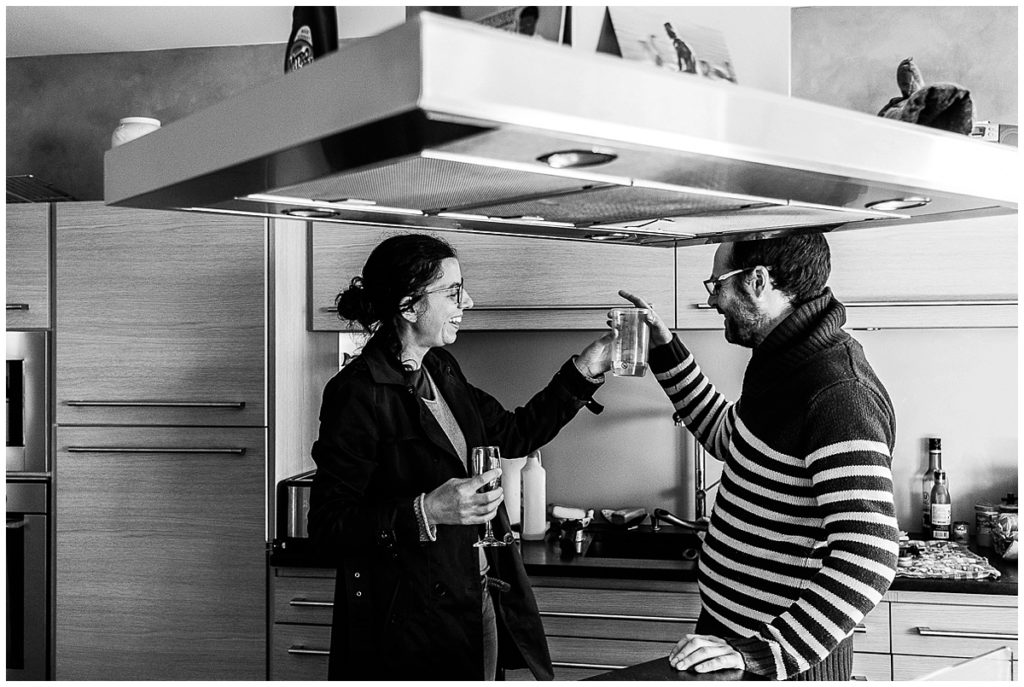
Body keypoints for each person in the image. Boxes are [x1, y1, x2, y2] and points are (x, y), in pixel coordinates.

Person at [308, 233, 613, 681]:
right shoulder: (356, 392)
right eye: (452, 292)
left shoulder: (441, 369)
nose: (467, 300)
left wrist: (587, 368)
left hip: (474, 596)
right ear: (410, 307)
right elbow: (328, 526)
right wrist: (425, 510)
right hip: (409, 624)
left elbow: (514, 433)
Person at [620, 233, 898, 680]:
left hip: (779, 657)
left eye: (717, 285)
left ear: (757, 280)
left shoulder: (839, 391)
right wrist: (663, 348)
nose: (712, 300)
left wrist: (765, 653)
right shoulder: (780, 363)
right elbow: (728, 438)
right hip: (729, 637)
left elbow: (870, 554)